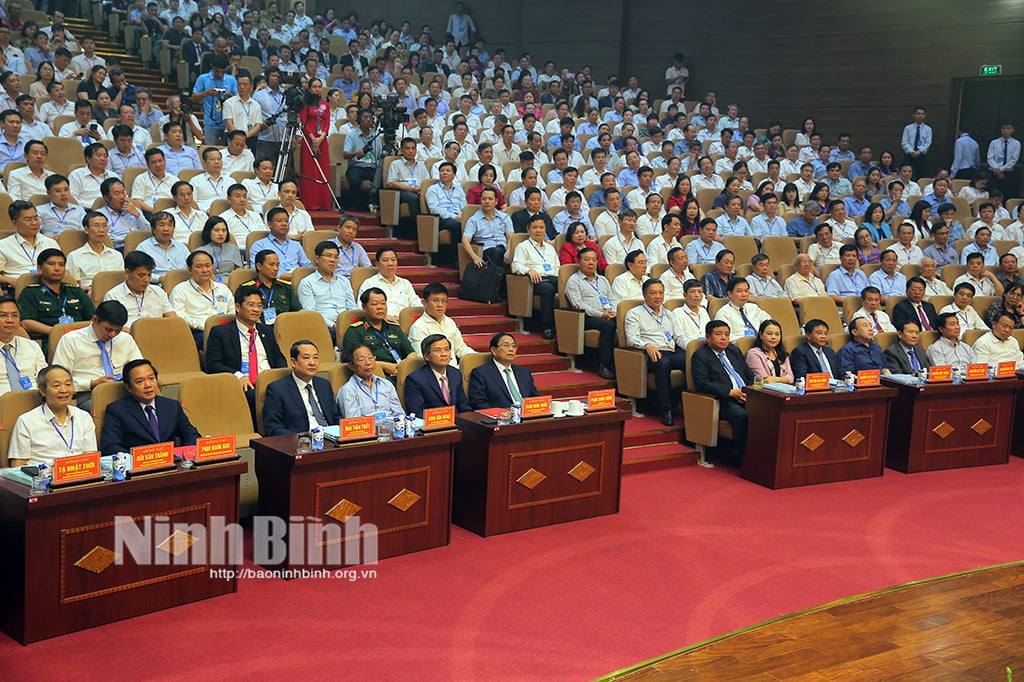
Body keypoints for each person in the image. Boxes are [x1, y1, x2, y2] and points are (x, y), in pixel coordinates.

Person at [206, 285, 287, 412]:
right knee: (255, 396)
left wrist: (279, 376)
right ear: (238, 307)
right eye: (251, 305)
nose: (256, 309)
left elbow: (278, 358)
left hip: (270, 381)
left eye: (259, 305)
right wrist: (237, 376)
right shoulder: (221, 332)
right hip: (245, 383)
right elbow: (213, 364)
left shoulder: (266, 331)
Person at [52, 300, 142, 407]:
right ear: (95, 320)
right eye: (108, 329)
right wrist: (92, 383)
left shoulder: (125, 339)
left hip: (123, 390)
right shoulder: (71, 340)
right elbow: (58, 379)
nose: (112, 335)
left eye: (117, 330)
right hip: (88, 394)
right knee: (116, 410)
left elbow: (139, 368)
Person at [7, 365, 97, 468]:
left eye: (68, 384)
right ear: (43, 391)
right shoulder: (26, 421)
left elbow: (90, 456)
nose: (64, 390)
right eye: (56, 386)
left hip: (78, 478)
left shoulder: (84, 417)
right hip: (42, 480)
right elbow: (17, 465)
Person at [624, 279, 685, 425]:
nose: (658, 296)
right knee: (662, 363)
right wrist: (647, 345)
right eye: (653, 293)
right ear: (644, 295)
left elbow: (679, 337)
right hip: (648, 355)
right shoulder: (634, 314)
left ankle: (689, 405)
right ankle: (666, 408)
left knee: (693, 359)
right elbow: (631, 339)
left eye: (660, 293)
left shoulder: (669, 314)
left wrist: (694, 348)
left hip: (670, 351)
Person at [690, 320, 752, 459]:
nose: (724, 338)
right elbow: (702, 384)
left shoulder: (734, 351)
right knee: (741, 416)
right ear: (708, 337)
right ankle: (744, 457)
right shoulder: (701, 356)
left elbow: (749, 374)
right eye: (719, 334)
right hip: (723, 400)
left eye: (726, 334)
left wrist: (752, 390)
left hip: (747, 395)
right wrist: (730, 392)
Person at [262, 339, 342, 436]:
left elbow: (335, 417)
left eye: (315, 358)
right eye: (306, 358)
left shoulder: (324, 385)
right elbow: (273, 427)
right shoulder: (277, 389)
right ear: (293, 362)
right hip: (301, 443)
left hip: (331, 439)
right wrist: (301, 438)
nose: (312, 363)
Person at [563, 247, 617, 379]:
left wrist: (614, 311)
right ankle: (604, 365)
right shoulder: (574, 281)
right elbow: (578, 304)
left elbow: (612, 298)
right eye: (587, 260)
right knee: (608, 326)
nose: (591, 263)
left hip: (607, 314)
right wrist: (601, 314)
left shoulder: (603, 280)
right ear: (578, 262)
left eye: (594, 260)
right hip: (584, 318)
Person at [341, 287, 415, 379]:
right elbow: (352, 361)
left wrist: (403, 367)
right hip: (375, 375)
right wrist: (384, 366)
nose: (380, 307)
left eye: (383, 303)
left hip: (401, 372)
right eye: (375, 304)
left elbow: (411, 353)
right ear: (364, 307)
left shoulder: (394, 328)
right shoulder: (355, 331)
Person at [168, 250, 233, 348]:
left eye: (208, 265)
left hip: (226, 329)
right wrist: (203, 325)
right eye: (199, 266)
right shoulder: (180, 290)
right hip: (198, 332)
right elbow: (179, 317)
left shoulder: (222, 289)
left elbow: (232, 311)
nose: (205, 270)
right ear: (189, 270)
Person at [403, 334, 471, 417]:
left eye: (446, 349)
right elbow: (416, 412)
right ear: (426, 356)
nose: (444, 354)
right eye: (437, 350)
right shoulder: (415, 379)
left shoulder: (455, 373)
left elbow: (463, 406)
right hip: (431, 424)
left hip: (456, 423)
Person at [467, 332, 540, 410]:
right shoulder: (481, 373)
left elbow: (535, 396)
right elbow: (478, 403)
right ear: (493, 350)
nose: (511, 349)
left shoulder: (524, 372)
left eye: (514, 346)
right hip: (502, 419)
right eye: (505, 345)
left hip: (527, 417)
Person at [336, 343, 405, 420]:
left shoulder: (386, 385)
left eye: (370, 358)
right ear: (351, 366)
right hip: (366, 430)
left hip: (392, 428)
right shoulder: (348, 390)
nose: (368, 363)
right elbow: (354, 422)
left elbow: (399, 414)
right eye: (362, 360)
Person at [0, 200, 60, 286]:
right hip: (19, 288)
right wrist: (13, 281)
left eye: (36, 218)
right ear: (14, 223)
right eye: (28, 220)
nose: (34, 223)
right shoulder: (3, 246)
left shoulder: (50, 243)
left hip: (48, 286)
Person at [357, 247, 421, 322]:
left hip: (406, 324)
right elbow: (361, 309)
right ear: (377, 264)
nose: (390, 264)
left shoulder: (405, 283)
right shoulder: (369, 283)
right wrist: (385, 317)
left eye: (393, 260)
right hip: (381, 323)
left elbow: (417, 307)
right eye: (385, 260)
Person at [0, 296, 46, 398]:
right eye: (3, 315)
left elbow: (45, 378)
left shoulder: (31, 346)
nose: (10, 320)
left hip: (34, 402)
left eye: (15, 315)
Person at [462, 186, 512, 269]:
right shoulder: (474, 220)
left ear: (496, 201)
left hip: (504, 249)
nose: (487, 201)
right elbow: (465, 240)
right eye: (484, 199)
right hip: (486, 251)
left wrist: (509, 251)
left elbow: (511, 237)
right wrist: (475, 258)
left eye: (490, 199)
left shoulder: (505, 217)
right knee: (497, 252)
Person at [342, 107, 381, 211]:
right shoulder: (351, 135)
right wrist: (357, 153)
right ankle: (355, 205)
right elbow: (345, 154)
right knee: (354, 178)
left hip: (372, 167)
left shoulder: (376, 137)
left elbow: (380, 156)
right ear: (359, 119)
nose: (368, 119)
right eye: (365, 117)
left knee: (382, 178)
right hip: (357, 166)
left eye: (370, 117)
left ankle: (375, 205)